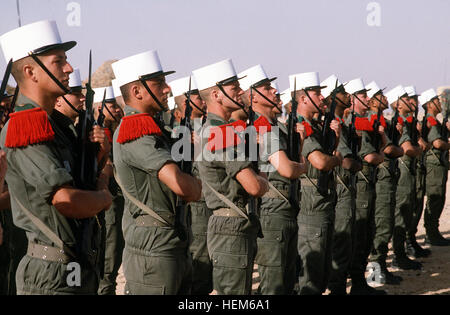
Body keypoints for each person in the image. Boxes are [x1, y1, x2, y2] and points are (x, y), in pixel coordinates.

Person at [0, 19, 112, 295]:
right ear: (30, 71)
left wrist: (100, 156)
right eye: (58, 61)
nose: (69, 68)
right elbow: (67, 200)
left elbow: (76, 181)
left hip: (75, 263)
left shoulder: (56, 127)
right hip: (52, 274)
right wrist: (104, 197)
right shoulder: (24, 127)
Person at [112, 50, 202, 294]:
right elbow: (182, 187)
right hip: (153, 248)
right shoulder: (135, 131)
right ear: (137, 92)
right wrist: (195, 187)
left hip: (170, 240)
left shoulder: (154, 129)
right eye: (158, 83)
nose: (167, 89)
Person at [193, 59, 269, 295]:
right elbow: (254, 186)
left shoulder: (218, 130)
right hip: (231, 225)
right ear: (216, 94)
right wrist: (263, 181)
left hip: (232, 222)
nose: (240, 92)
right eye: (234, 87)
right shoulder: (221, 133)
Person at [239, 65, 306, 294]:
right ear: (253, 96)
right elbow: (287, 169)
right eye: (267, 88)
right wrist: (304, 166)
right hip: (272, 210)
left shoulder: (275, 127)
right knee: (274, 285)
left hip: (285, 206)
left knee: (287, 281)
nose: (275, 91)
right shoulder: (261, 127)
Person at [289, 71, 342, 295]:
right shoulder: (302, 127)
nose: (322, 98)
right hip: (312, 207)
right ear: (302, 99)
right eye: (317, 93)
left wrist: (335, 140)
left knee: (321, 274)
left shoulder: (316, 126)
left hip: (322, 203)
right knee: (309, 281)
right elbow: (320, 161)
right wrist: (337, 158)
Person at [168, 75, 212, 295]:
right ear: (184, 103)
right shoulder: (178, 131)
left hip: (208, 198)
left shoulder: (204, 125)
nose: (203, 101)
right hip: (195, 203)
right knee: (198, 257)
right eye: (197, 97)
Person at [345, 78, 387, 295]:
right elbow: (371, 156)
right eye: (362, 95)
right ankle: (358, 283)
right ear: (351, 99)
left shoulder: (364, 121)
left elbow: (384, 147)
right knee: (360, 235)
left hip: (368, 182)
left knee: (369, 232)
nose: (367, 99)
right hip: (361, 183)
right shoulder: (354, 122)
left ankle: (363, 283)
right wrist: (380, 156)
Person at [322, 75, 362, 294]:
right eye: (343, 92)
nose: (348, 96)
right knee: (341, 245)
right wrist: (361, 164)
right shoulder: (332, 124)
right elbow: (346, 162)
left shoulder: (342, 124)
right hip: (341, 189)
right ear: (333, 98)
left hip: (345, 189)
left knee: (348, 243)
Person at [384, 85, 423, 270]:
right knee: (401, 214)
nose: (412, 102)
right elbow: (408, 149)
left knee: (406, 212)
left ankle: (402, 251)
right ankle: (398, 255)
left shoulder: (404, 122)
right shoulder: (399, 122)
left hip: (406, 171)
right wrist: (420, 148)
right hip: (403, 172)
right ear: (397, 104)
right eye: (407, 99)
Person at [92, 86, 125, 295]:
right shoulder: (97, 133)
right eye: (112, 105)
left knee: (116, 252)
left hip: (117, 198)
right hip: (107, 200)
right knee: (109, 257)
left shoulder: (115, 130)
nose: (118, 109)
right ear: (100, 108)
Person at [419, 89, 450, 246]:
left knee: (438, 197)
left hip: (439, 163)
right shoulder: (430, 121)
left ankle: (433, 232)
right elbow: (437, 143)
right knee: (435, 197)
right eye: (436, 101)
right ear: (429, 105)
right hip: (435, 163)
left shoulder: (434, 121)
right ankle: (431, 233)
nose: (439, 103)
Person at [405, 86, 432, 258]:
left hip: (416, 168)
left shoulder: (414, 122)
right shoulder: (404, 123)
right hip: (408, 169)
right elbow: (421, 146)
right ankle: (407, 243)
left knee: (416, 205)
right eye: (411, 99)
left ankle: (411, 240)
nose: (415, 102)